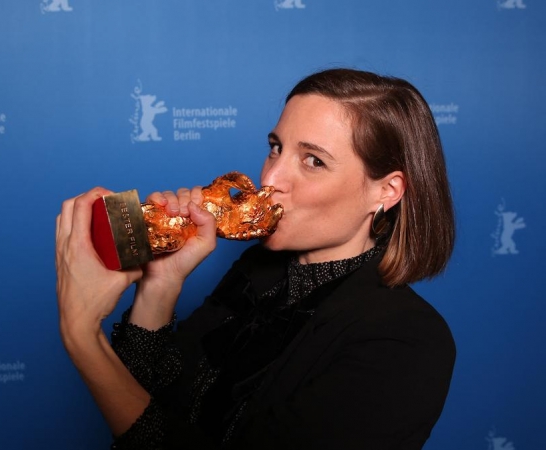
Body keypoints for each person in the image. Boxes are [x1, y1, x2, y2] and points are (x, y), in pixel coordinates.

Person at [55, 68, 456, 449]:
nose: (270, 179)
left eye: (313, 160)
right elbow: (147, 401)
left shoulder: (408, 340)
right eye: (275, 148)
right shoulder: (257, 272)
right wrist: (161, 284)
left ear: (386, 191)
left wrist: (82, 337)